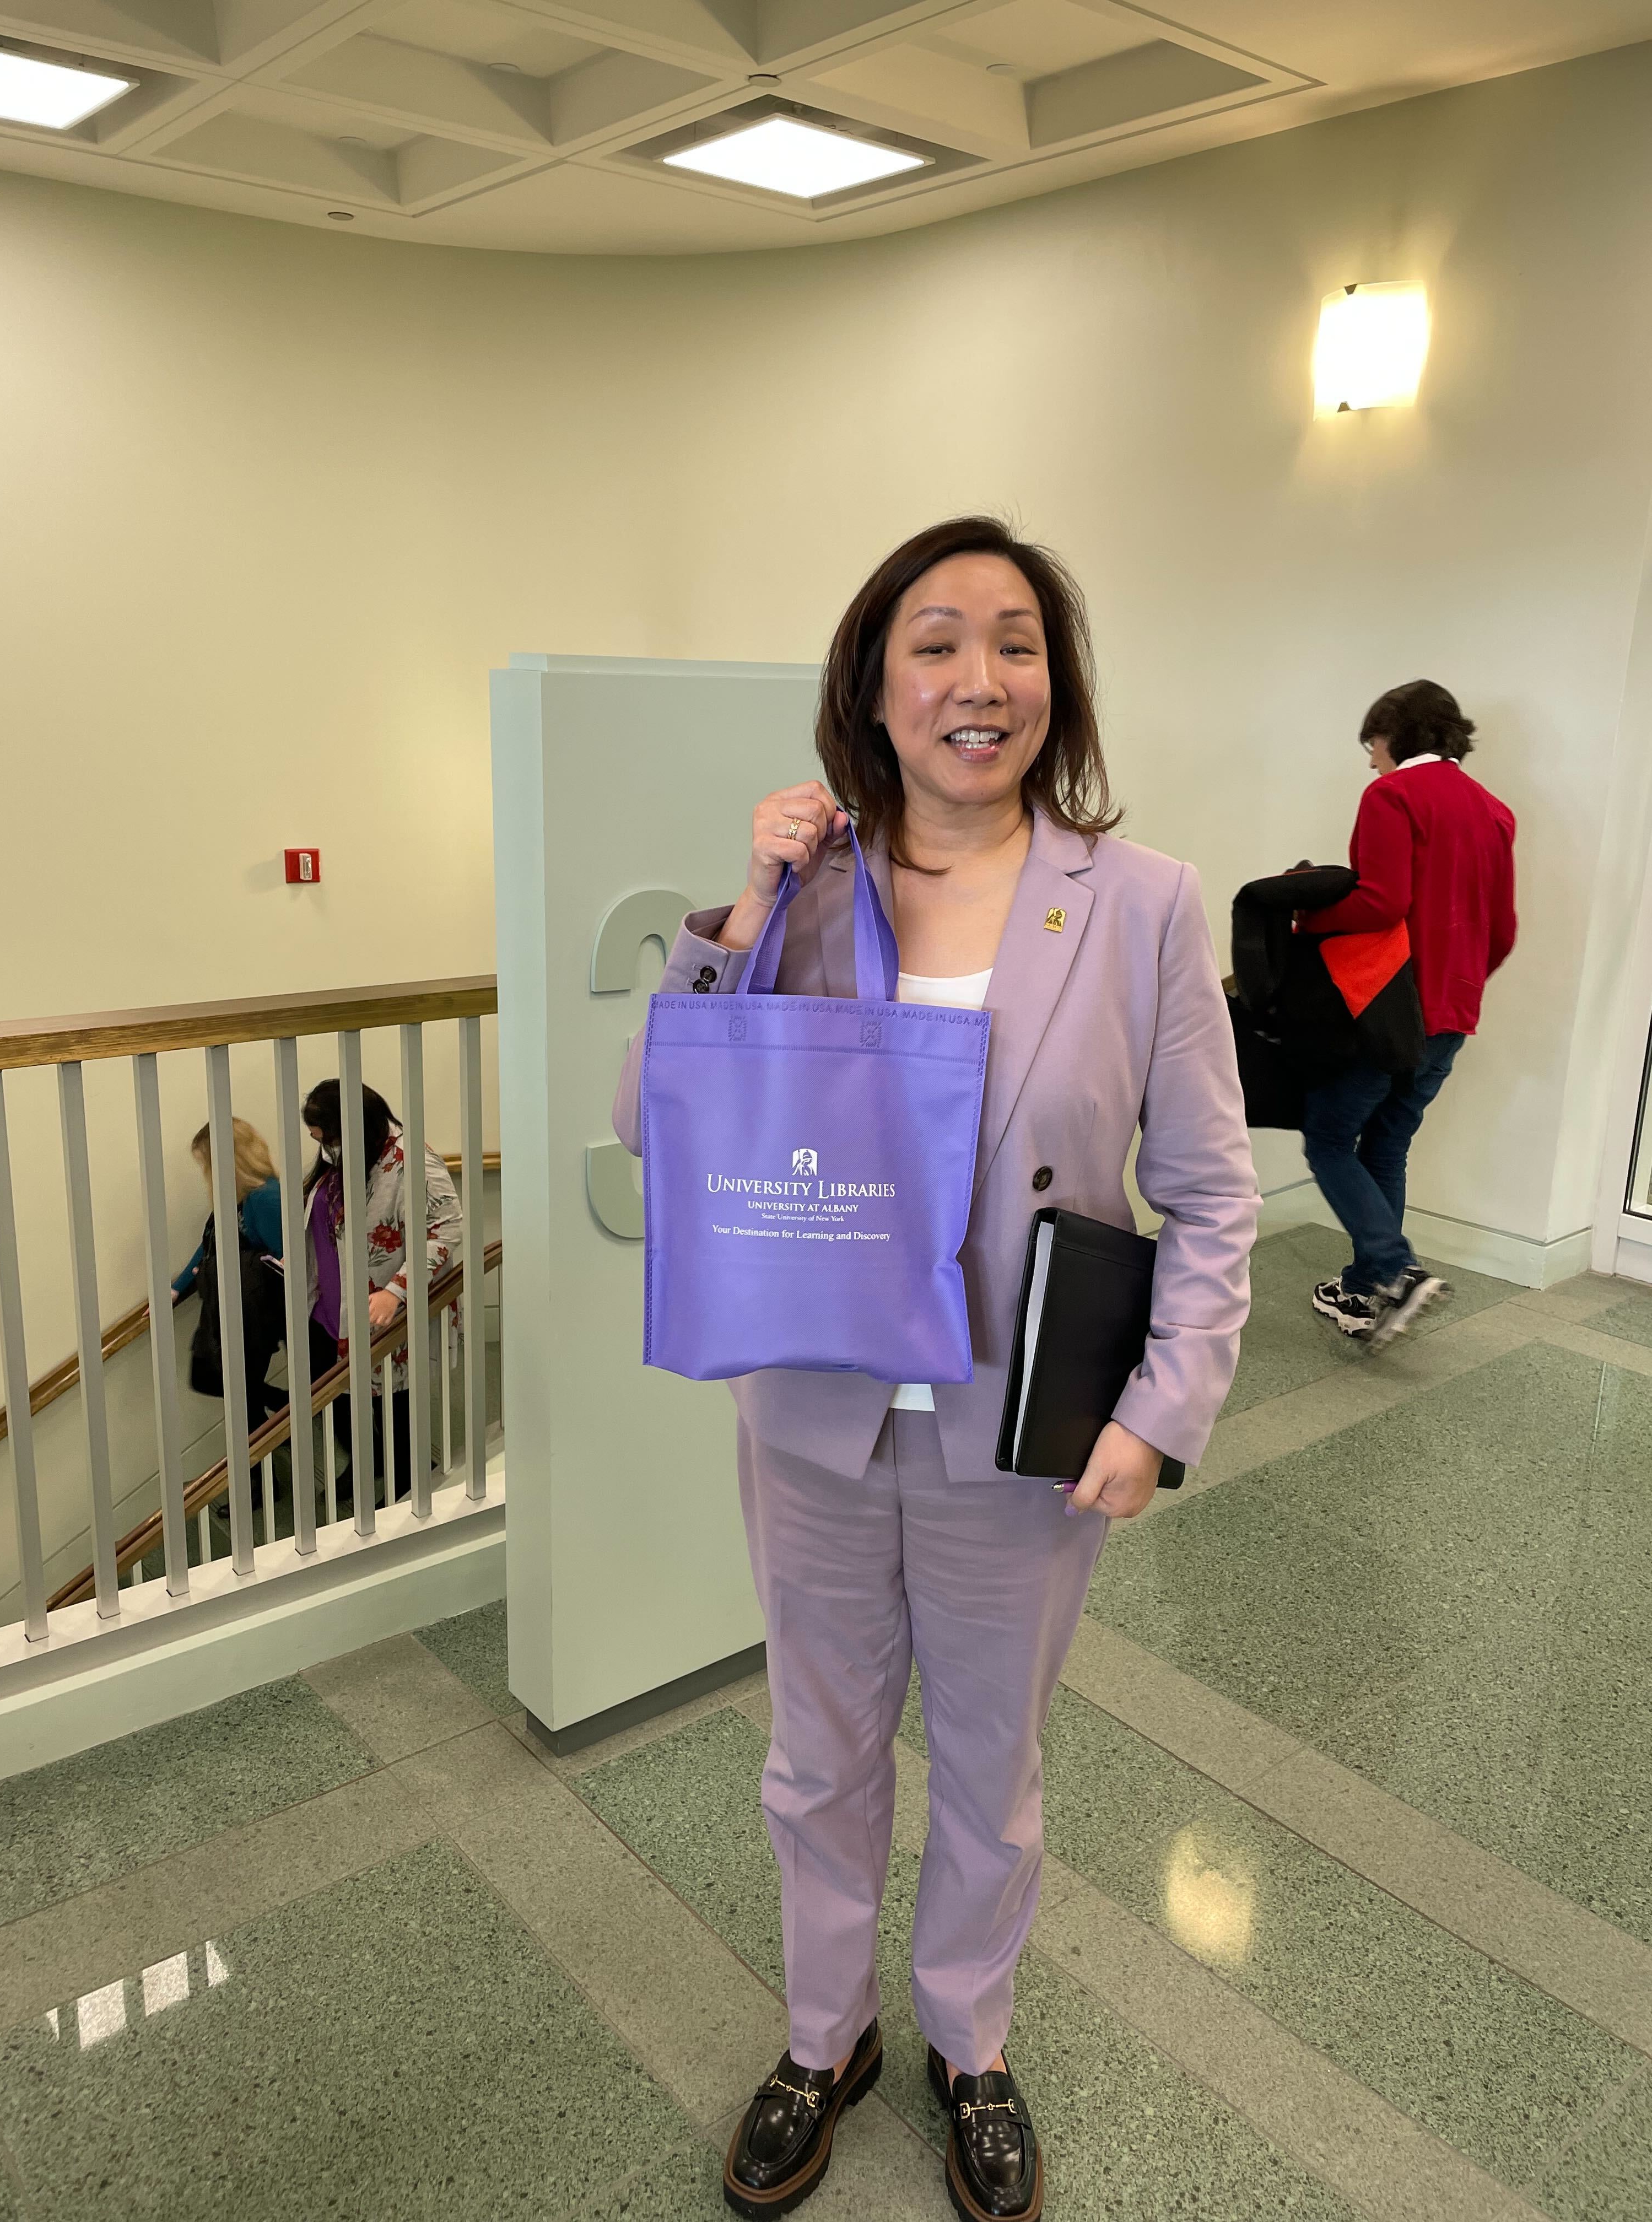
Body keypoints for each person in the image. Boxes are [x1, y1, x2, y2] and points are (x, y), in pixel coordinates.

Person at [613, 517, 1257, 2221]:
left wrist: (1162, 1408)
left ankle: (971, 2043)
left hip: (1028, 1434)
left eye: (1018, 642)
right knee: (818, 1757)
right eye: (937, 642)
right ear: (873, 687)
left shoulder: (1143, 906)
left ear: (1058, 682)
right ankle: (828, 2039)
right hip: (819, 1419)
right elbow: (651, 1130)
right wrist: (740, 909)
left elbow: (1209, 1186)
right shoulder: (807, 900)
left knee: (992, 1763)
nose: (982, 679)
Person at [1300, 680, 1516, 1346]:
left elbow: (1382, 901)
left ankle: (1396, 1269)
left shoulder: (1393, 795)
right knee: (1388, 1142)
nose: (1371, 760)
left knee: (1330, 1139)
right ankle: (1367, 1294)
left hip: (1391, 1007)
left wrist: (1308, 917)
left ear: (1397, 734)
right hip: (1454, 1011)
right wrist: (1458, 984)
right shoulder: (1494, 812)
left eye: (1374, 744)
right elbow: (1502, 931)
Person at [301, 1078, 462, 1498]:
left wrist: (397, 1290)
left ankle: (407, 1492)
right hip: (332, 1308)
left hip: (385, 1310)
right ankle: (366, 1464)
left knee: (395, 1407)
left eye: (327, 1138)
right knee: (348, 1399)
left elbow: (447, 1231)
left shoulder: (413, 1162)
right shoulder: (348, 1158)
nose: (323, 1147)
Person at [175, 1118, 286, 1438]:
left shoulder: (264, 1198)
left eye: (206, 1164)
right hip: (240, 1313)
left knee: (238, 1394)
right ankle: (269, 1463)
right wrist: (178, 1288)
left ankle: (268, 1468)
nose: (206, 1173)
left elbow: (291, 1260)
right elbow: (211, 1245)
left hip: (257, 1315)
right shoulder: (239, 1198)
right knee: (236, 1393)